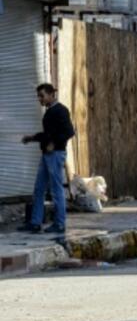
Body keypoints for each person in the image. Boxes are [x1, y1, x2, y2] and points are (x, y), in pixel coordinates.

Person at [18, 84, 75, 234]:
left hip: (55, 155)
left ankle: (59, 224)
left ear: (51, 95)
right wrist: (32, 138)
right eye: (38, 96)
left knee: (56, 190)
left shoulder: (60, 110)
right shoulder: (50, 112)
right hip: (47, 155)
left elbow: (69, 131)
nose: (40, 99)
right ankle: (35, 223)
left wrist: (54, 143)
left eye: (42, 96)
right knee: (39, 189)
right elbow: (48, 134)